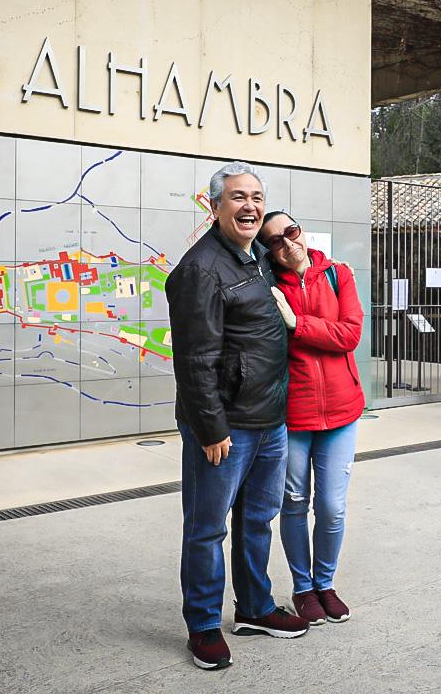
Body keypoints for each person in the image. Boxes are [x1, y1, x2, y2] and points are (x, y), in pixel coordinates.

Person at [165, 162, 309, 671]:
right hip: (225, 427)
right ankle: (203, 625)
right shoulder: (200, 269)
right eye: (237, 197)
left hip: (269, 419)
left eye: (256, 196)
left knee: (257, 520)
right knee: (207, 529)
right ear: (214, 206)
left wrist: (294, 257)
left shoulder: (255, 260)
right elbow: (195, 359)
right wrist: (210, 428)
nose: (249, 205)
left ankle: (254, 607)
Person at [257, 211, 365, 626]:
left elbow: (350, 335)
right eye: (275, 241)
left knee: (332, 507)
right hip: (295, 415)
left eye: (291, 232)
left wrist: (297, 323)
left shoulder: (337, 274)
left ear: (301, 231)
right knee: (295, 503)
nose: (287, 244)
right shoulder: (267, 286)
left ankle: (326, 582)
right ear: (269, 251)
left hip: (342, 410)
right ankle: (304, 589)